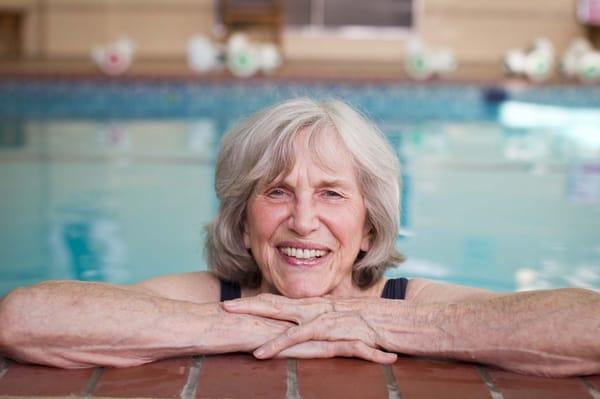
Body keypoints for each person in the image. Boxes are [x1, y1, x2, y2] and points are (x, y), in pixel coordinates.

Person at [0, 98, 598, 377]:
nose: (304, 220)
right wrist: (249, 321)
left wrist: (378, 324)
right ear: (241, 216)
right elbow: (24, 318)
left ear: (370, 225)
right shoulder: (212, 294)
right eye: (277, 191)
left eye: (333, 194)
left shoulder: (407, 304)